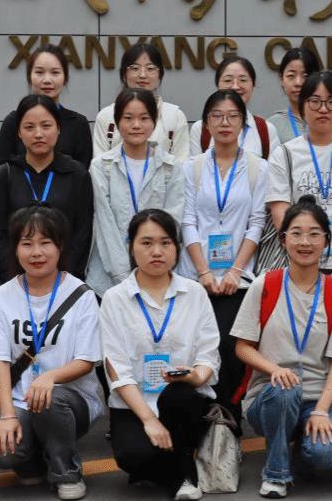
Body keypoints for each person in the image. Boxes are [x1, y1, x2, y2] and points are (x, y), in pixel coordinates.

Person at [232, 196, 332, 499]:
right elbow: (243, 347)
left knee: (326, 455)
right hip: (270, 396)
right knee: (285, 390)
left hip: (318, 398)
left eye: (314, 234)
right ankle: (276, 474)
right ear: (283, 240)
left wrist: (322, 410)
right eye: (296, 233)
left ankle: (293, 447)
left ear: (326, 241)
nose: (305, 242)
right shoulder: (265, 285)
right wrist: (274, 369)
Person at [100, 210, 221, 501]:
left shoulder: (194, 293)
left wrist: (195, 376)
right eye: (147, 243)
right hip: (135, 405)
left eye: (166, 243)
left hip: (183, 403)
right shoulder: (114, 299)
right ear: (131, 247)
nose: (157, 251)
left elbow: (208, 354)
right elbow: (116, 369)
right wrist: (149, 420)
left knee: (179, 395)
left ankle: (184, 474)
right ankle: (174, 464)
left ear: (176, 248)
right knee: (132, 456)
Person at [0, 205, 102, 500]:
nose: (36, 252)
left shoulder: (82, 295)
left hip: (69, 400)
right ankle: (36, 460)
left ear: (60, 246)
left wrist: (49, 378)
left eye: (45, 242)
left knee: (50, 400)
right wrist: (8, 415)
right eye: (27, 243)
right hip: (21, 399)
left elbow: (86, 361)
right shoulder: (1, 297)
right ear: (15, 249)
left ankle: (67, 472)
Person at [181, 89, 269, 425]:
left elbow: (256, 222)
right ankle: (203, 420)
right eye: (217, 116)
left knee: (231, 347)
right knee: (198, 347)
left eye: (233, 116)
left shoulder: (258, 168)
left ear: (244, 124)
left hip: (239, 278)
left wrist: (235, 270)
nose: (224, 122)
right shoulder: (192, 168)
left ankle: (229, 419)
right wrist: (204, 272)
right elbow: (187, 221)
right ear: (206, 124)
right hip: (196, 276)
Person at [0, 95, 94, 298]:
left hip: (63, 285)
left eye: (46, 126)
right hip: (13, 285)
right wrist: (14, 281)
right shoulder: (4, 175)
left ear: (58, 128)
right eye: (29, 127)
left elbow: (82, 235)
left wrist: (64, 279)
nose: (38, 134)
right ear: (19, 132)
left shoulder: (77, 175)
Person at [265, 72, 332, 277]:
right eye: (315, 101)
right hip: (298, 263)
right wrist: (302, 256)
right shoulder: (284, 154)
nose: (323, 109)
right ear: (302, 107)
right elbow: (280, 213)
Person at [87, 89, 185, 296]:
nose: (136, 125)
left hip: (157, 274)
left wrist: (151, 267)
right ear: (117, 121)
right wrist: (123, 276)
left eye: (144, 118)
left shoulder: (171, 167)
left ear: (154, 121)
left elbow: (173, 222)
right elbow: (104, 225)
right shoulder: (101, 166)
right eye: (128, 118)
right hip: (108, 281)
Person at [0, 45, 94, 170]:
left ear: (65, 78)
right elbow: (1, 172)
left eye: (55, 73)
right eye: (39, 72)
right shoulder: (13, 121)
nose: (47, 80)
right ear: (29, 77)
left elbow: (83, 175)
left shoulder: (78, 124)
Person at [92, 44, 189, 160]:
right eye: (135, 68)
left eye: (150, 69)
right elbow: (99, 164)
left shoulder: (175, 116)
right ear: (124, 73)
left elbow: (181, 164)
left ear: (160, 75)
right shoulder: (106, 116)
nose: (142, 75)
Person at [188, 56, 281, 159]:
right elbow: (195, 168)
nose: (235, 87)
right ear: (217, 84)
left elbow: (272, 168)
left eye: (243, 80)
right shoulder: (200, 130)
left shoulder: (266, 130)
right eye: (228, 80)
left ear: (253, 84)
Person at [265, 48, 324, 145]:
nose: (298, 83)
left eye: (305, 76)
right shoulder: (272, 125)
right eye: (291, 76)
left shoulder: (330, 120)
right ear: (282, 79)